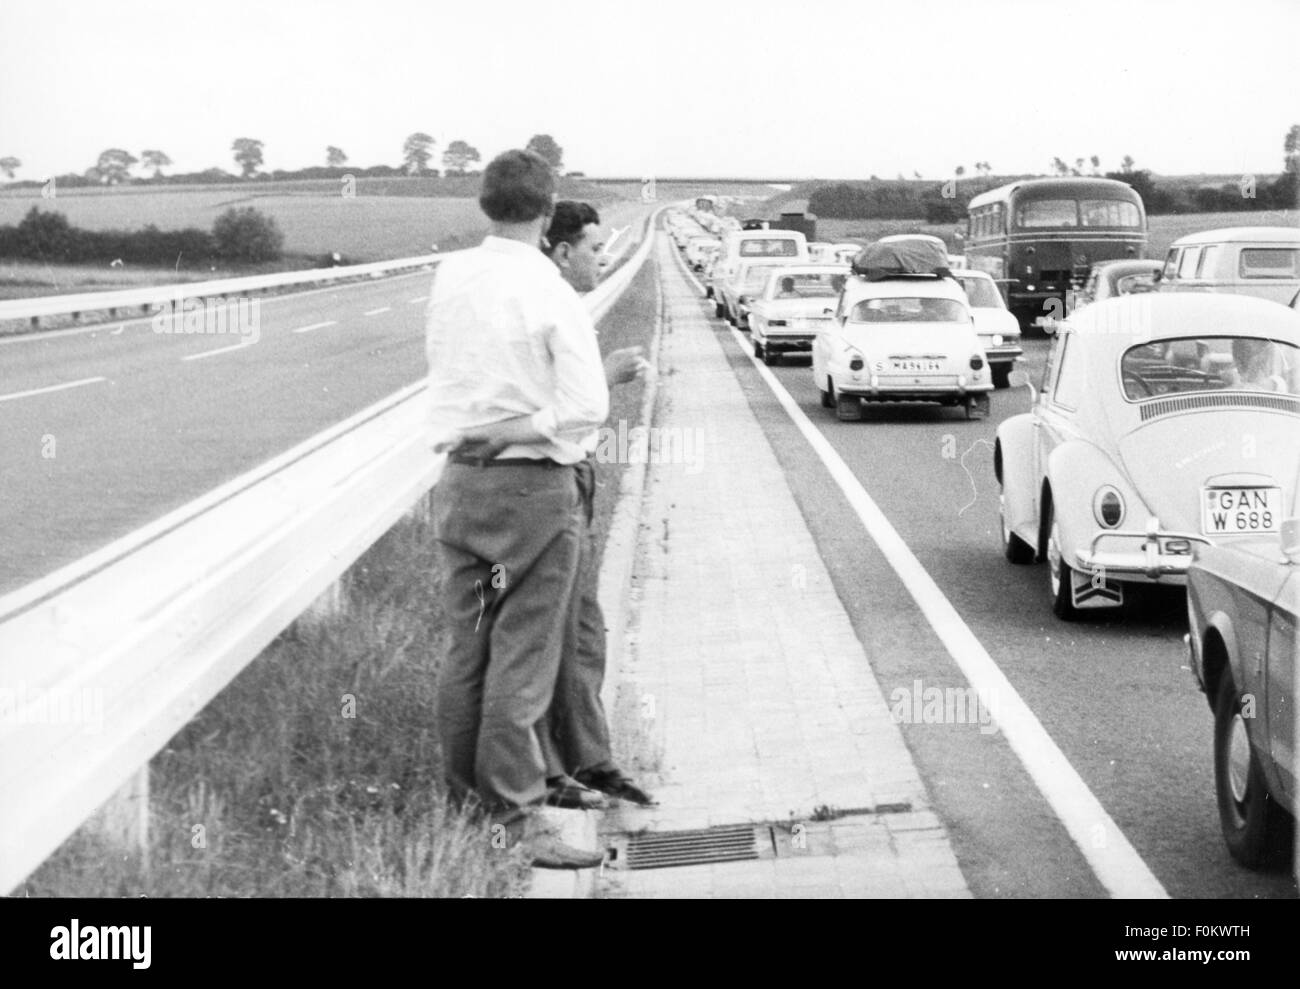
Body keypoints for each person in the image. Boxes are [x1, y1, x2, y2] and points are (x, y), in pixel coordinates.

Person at [425, 151, 608, 870]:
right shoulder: (547, 285)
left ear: (484, 202)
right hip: (530, 488)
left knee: (466, 649)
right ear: (548, 205)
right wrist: (513, 428)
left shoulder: (451, 274)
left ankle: (465, 801)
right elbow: (585, 406)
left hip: (458, 483)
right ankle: (514, 815)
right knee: (522, 659)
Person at [534, 201, 656, 810]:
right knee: (560, 630)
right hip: (550, 479)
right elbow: (555, 402)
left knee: (583, 629)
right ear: (560, 252)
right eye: (591, 248)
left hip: (572, 475)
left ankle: (588, 757)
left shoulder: (565, 305)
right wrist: (608, 376)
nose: (601, 259)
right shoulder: (543, 307)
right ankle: (559, 767)